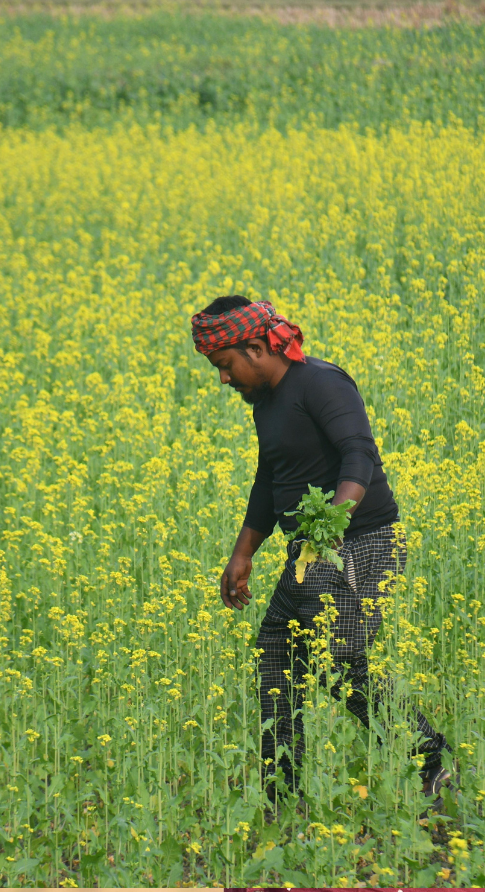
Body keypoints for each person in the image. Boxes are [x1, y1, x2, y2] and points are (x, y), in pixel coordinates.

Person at [190, 295, 453, 811]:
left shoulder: (322, 382)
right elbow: (272, 477)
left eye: (225, 366)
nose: (223, 380)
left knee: (336, 659)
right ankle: (282, 794)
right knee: (277, 649)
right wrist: (243, 553)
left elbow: (360, 453)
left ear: (258, 346)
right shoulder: (267, 402)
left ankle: (430, 756)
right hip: (316, 548)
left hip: (361, 541)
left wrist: (333, 523)